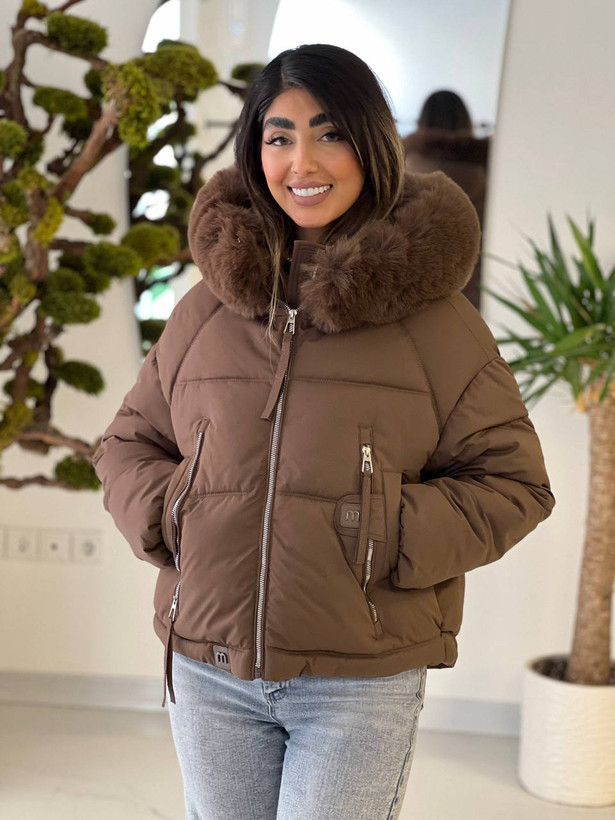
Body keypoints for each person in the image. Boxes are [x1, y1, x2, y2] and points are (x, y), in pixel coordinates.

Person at [92, 43, 556, 820]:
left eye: (329, 133)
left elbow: (514, 484)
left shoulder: (437, 322)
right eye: (278, 136)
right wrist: (176, 513)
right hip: (209, 670)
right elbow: (125, 445)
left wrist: (381, 531)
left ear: (371, 143)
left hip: (357, 683)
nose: (301, 161)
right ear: (255, 152)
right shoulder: (206, 309)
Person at [402, 90, 490, 312]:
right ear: (466, 121)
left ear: (422, 120)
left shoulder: (405, 166)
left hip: (414, 289)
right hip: (475, 287)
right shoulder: (489, 170)